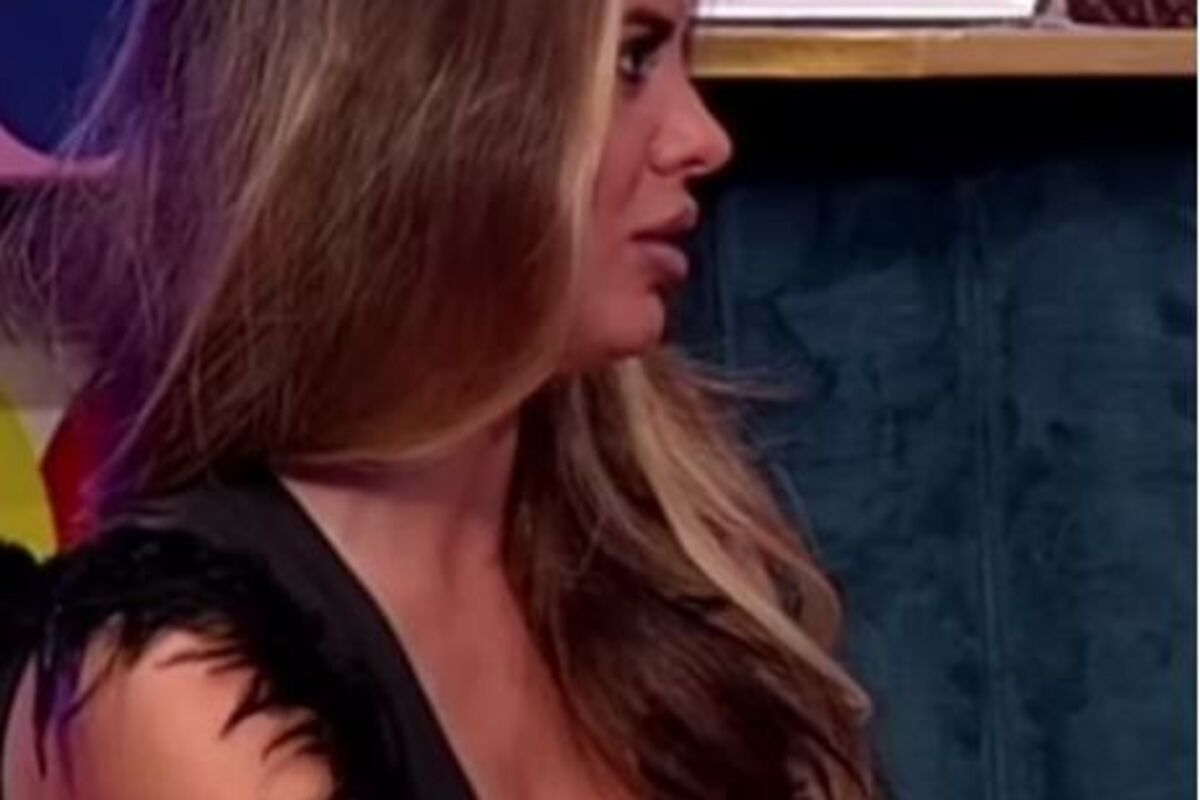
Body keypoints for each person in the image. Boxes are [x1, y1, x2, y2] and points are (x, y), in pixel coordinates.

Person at [0, 0, 876, 797]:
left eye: (685, 56)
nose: (703, 138)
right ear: (426, 93)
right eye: (632, 60)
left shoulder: (678, 553)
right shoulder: (189, 681)